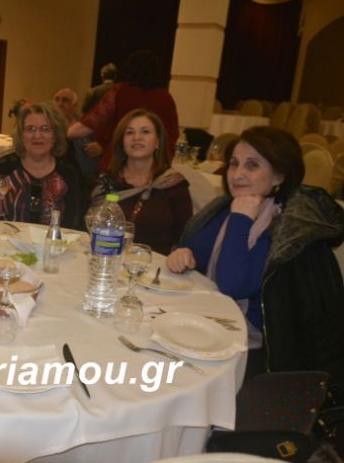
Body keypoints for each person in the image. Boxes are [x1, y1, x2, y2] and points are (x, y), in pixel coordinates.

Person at [166, 126, 344, 383]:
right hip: (211, 325)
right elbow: (194, 250)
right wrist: (182, 253)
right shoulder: (225, 209)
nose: (237, 174)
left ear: (279, 176)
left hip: (259, 351)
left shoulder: (285, 229)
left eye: (252, 166)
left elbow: (233, 285)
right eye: (234, 164)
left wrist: (241, 219)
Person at [0, 101, 86, 231]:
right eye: (30, 129)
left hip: (53, 242)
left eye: (45, 129)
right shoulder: (3, 168)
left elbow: (76, 225)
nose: (37, 135)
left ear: (55, 136)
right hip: (4, 241)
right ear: (21, 136)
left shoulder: (69, 174)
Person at [90, 109, 192, 255]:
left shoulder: (173, 184)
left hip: (158, 263)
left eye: (145, 132)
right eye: (129, 132)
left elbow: (186, 237)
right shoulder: (106, 183)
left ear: (158, 142)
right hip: (109, 258)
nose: (137, 138)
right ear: (122, 143)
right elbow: (91, 228)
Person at [68, 50, 179, 170]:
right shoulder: (166, 98)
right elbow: (173, 133)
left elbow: (94, 120)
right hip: (154, 163)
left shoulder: (120, 91)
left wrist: (66, 132)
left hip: (120, 160)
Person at [54, 88, 101, 183]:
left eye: (65, 100)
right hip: (58, 178)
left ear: (74, 105)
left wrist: (100, 147)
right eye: (57, 99)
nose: (60, 104)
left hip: (87, 177)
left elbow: (106, 143)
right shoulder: (47, 125)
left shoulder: (87, 123)